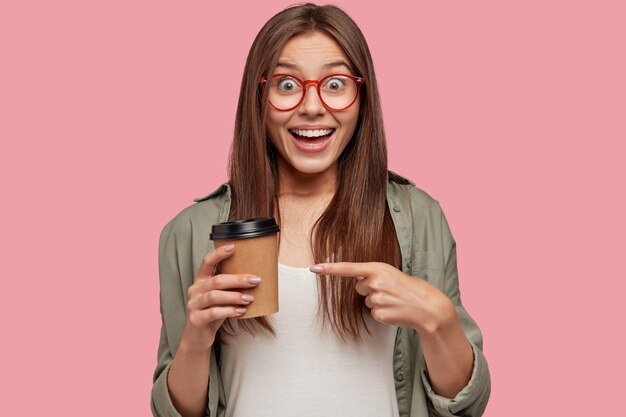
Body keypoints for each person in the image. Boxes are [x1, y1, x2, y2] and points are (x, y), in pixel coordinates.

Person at [151, 3, 491, 417]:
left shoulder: (419, 217)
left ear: (361, 97)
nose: (312, 107)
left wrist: (440, 321)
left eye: (334, 83)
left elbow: (466, 405)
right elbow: (174, 412)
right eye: (288, 84)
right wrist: (195, 340)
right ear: (259, 97)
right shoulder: (191, 231)